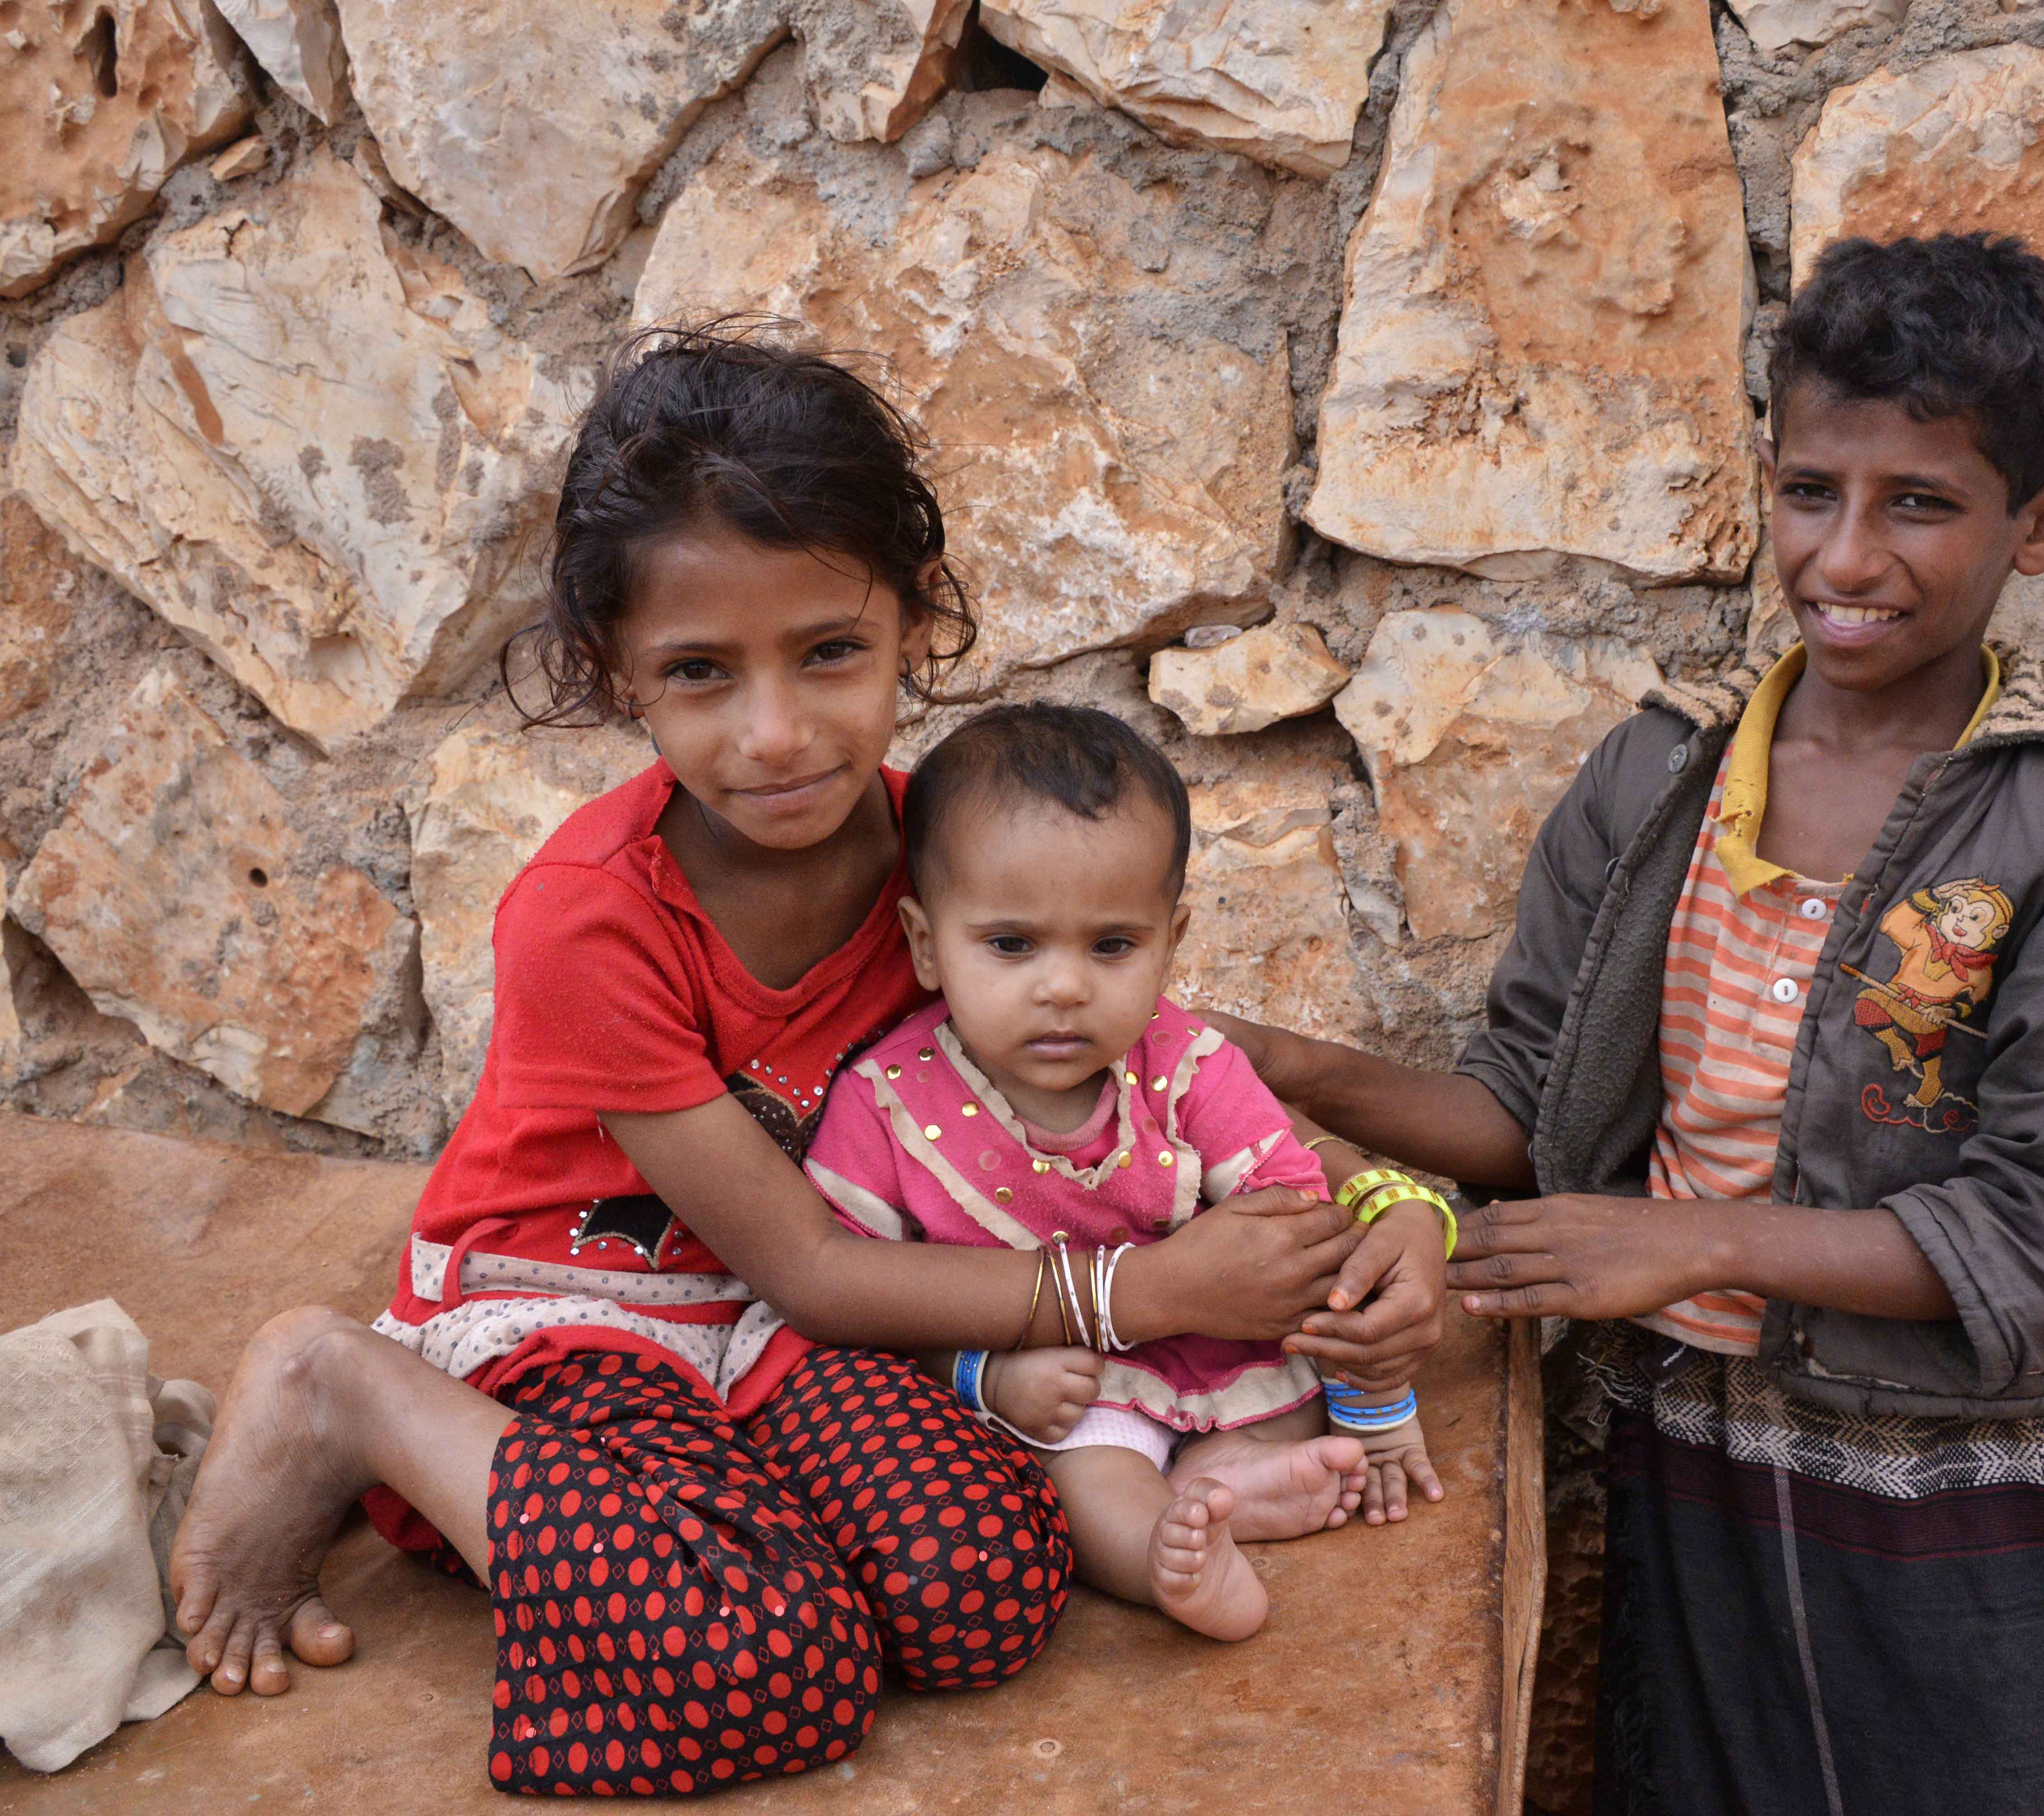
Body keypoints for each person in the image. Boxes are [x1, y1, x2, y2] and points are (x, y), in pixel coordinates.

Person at [163, 322, 1448, 1798]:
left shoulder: (953, 854)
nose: (776, 734)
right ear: (616, 676)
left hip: (795, 1328)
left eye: (829, 652)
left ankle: (662, 1516)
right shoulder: (586, 918)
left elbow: (1169, 1062)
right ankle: (351, 1391)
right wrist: (1142, 1291)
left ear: (921, 626)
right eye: (702, 671)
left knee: (986, 1582)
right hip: (581, 1303)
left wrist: (1399, 1207)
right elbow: (814, 1266)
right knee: (764, 1664)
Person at [1215, 234, 2044, 1813]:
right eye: (1809, 489)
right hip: (1684, 1460)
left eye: (1919, 503)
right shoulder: (1658, 776)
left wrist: (1689, 1244)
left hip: (1951, 1508)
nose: (1844, 555)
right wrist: (1271, 1063)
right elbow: (1527, 1106)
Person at [803, 704, 1450, 1642]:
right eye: (1012, 945)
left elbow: (1303, 1233)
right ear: (924, 943)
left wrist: (1379, 1407)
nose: (1064, 986)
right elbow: (860, 1302)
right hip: (1070, 1386)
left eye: (1112, 946)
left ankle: (1222, 1483)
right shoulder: (889, 1104)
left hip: (1216, 1343)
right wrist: (981, 1376)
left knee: (1302, 1420)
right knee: (1086, 1476)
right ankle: (1168, 1560)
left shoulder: (1186, 1066)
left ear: (1170, 940)